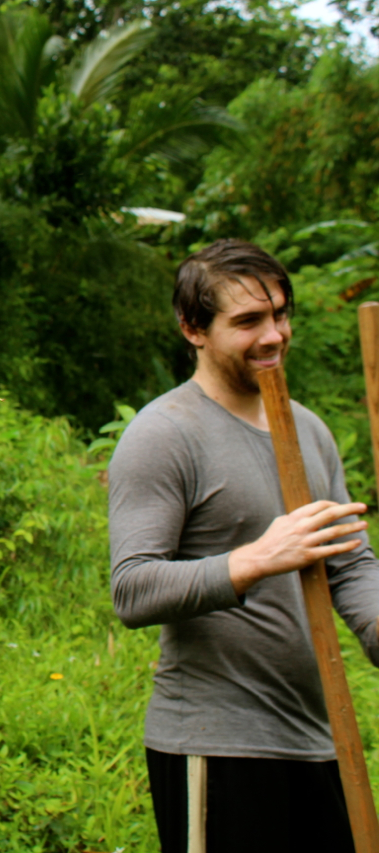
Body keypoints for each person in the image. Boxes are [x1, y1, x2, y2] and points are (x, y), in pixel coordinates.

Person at [108, 238, 379, 852]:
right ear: (193, 329)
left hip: (320, 736)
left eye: (280, 314)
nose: (274, 335)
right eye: (249, 320)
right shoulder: (164, 434)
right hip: (216, 743)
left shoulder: (308, 428)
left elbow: (349, 565)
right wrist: (258, 557)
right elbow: (134, 588)